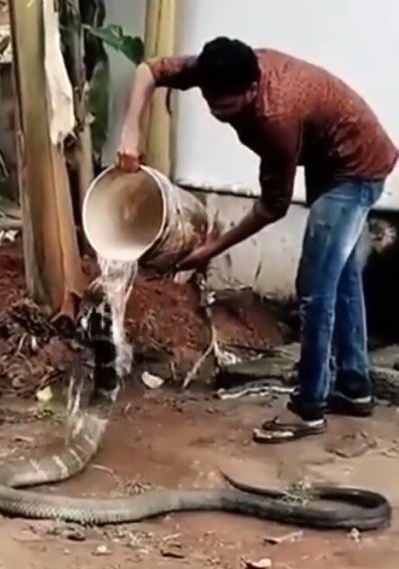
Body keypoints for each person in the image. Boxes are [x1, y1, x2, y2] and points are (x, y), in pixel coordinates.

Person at [116, 37, 397, 443]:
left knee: (315, 288)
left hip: (355, 169)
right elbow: (149, 70)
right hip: (328, 157)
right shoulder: (216, 68)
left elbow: (272, 207)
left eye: (227, 107)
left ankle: (308, 408)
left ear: (251, 90)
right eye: (210, 102)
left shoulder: (275, 117)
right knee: (342, 278)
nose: (217, 113)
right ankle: (354, 387)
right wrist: (131, 132)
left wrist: (209, 250)